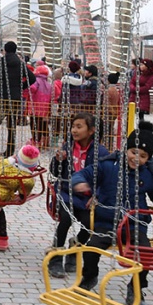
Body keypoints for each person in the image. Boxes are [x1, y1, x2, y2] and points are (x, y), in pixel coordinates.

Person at [70, 121, 153, 305]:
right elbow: (83, 174)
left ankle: (136, 287)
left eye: (143, 156)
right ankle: (89, 276)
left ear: (148, 158)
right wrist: (79, 183)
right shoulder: (108, 166)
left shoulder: (150, 175)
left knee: (145, 252)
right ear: (126, 150)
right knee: (91, 248)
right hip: (106, 223)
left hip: (134, 226)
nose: (136, 158)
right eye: (133, 152)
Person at [47, 112, 108, 278]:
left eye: (79, 127)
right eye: (73, 126)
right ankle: (56, 257)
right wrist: (58, 160)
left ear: (91, 130)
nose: (74, 130)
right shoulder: (67, 147)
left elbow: (105, 178)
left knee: (90, 223)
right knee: (65, 218)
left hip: (86, 198)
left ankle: (75, 248)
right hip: (66, 194)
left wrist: (96, 195)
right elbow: (55, 172)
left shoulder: (100, 152)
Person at [0, 41, 30, 158]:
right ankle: (9, 151)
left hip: (2, 98)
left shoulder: (0, 63)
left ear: (5, 50)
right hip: (15, 98)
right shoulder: (20, 63)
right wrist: (20, 87)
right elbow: (31, 78)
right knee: (12, 126)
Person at [27, 64, 52, 147]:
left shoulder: (36, 80)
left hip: (35, 107)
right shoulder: (48, 84)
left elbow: (33, 88)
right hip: (44, 108)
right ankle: (45, 140)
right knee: (42, 124)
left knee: (34, 124)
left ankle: (35, 140)